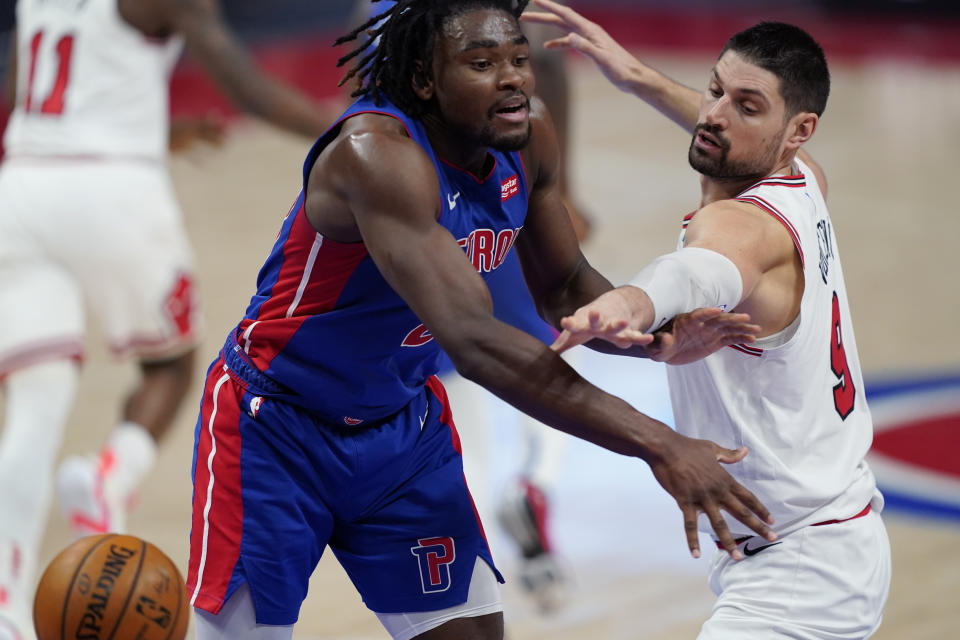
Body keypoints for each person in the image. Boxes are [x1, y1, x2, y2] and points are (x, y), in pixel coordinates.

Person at [185, 2, 778, 639]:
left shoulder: (528, 136)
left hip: (400, 430)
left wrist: (656, 338)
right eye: (481, 63)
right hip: (275, 427)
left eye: (519, 58)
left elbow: (564, 288)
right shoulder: (374, 154)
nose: (513, 78)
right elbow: (474, 342)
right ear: (424, 80)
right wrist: (656, 442)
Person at [524, 1, 891, 636]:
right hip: (835, 539)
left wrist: (624, 304)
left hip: (800, 573)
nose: (714, 113)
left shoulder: (737, 227)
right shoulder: (804, 177)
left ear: (799, 129)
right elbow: (727, 121)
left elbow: (690, 274)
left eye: (746, 106)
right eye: (714, 89)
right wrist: (636, 77)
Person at [0, 0, 334, 636]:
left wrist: (140, 127)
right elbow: (248, 88)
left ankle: (5, 608)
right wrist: (350, 133)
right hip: (115, 193)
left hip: (21, 184)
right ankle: (110, 476)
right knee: (172, 365)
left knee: (35, 403)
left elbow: (29, 91)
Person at [346, 0, 579, 612]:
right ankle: (535, 483)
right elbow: (545, 68)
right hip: (481, 186)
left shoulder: (381, 17)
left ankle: (473, 526)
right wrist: (560, 184)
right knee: (534, 336)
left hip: (412, 198)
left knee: (452, 361)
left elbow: (359, 94)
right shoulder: (487, 21)